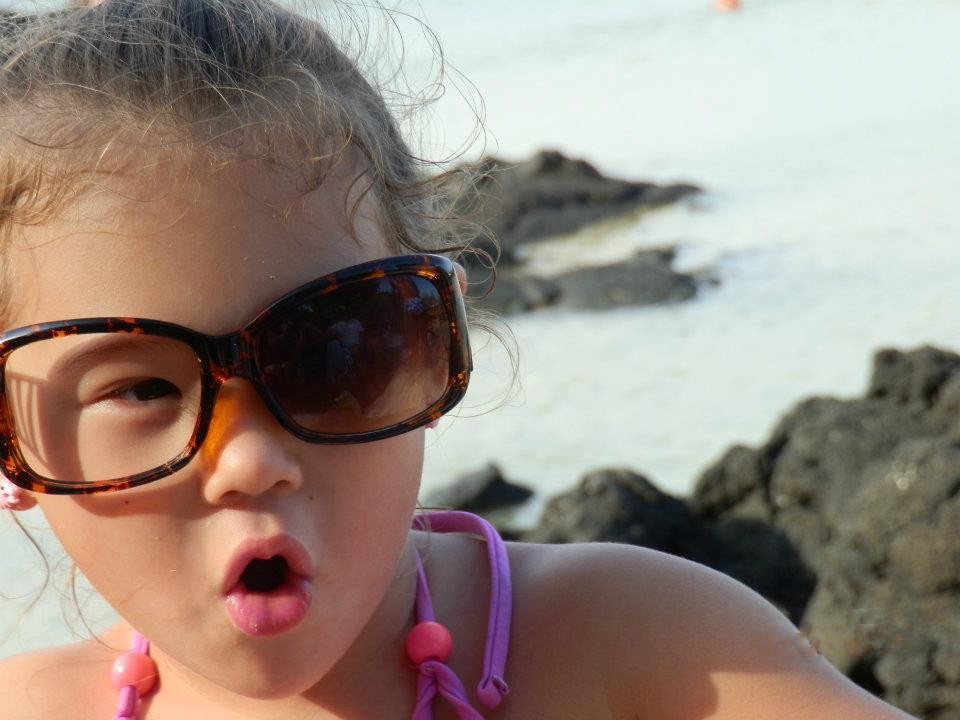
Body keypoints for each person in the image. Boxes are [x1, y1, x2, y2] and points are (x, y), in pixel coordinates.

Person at [0, 1, 918, 718]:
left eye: (332, 349)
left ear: (436, 339)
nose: (249, 460)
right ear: (13, 441)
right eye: (142, 387)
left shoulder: (649, 648)